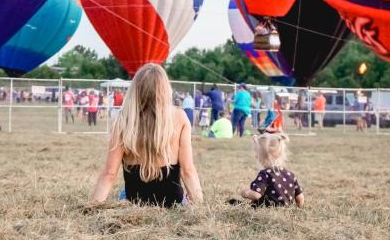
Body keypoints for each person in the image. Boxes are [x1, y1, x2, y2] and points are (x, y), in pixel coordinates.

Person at [91, 64, 203, 206]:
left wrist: (93, 206)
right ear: (165, 89)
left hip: (135, 201)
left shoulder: (122, 120)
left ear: (135, 90)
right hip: (172, 201)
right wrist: (200, 206)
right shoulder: (180, 117)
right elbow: (188, 171)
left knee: (123, 193)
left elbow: (109, 174)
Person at [229, 133, 304, 208]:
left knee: (233, 202)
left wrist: (245, 193)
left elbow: (256, 195)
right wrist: (299, 208)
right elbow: (300, 198)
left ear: (259, 157)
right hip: (287, 208)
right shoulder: (290, 175)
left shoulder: (265, 174)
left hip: (268, 207)